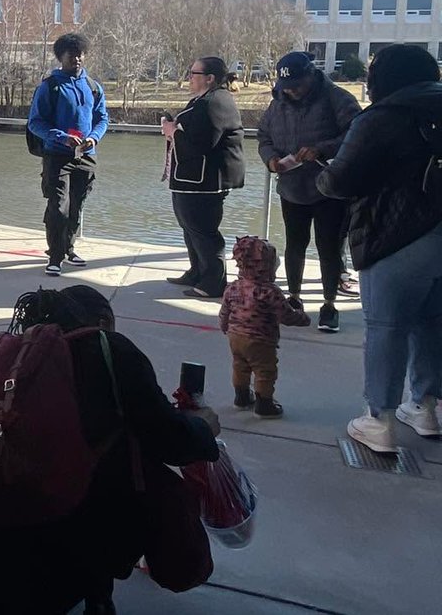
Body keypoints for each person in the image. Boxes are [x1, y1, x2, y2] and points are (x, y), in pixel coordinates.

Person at [0, 285, 220, 615]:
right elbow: (170, 440)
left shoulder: (15, 359)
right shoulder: (108, 349)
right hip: (85, 522)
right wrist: (204, 427)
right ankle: (97, 596)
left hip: (3, 520)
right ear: (100, 321)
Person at [317, 43, 442, 452]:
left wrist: (322, 175)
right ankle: (425, 407)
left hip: (397, 237)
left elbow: (340, 181)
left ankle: (379, 420)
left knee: (387, 328)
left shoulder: (381, 118)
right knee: (432, 323)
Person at [257, 51, 361, 332]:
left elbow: (357, 133)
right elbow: (263, 135)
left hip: (329, 187)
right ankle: (293, 298)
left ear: (312, 77)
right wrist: (271, 159)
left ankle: (329, 304)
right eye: (286, 87)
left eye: (297, 86)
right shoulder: (277, 103)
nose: (291, 92)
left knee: (328, 247)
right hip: (292, 186)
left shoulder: (338, 99)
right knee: (295, 243)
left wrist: (322, 149)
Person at [161, 57, 245, 299]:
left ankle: (213, 282)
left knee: (203, 230)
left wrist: (173, 131)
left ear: (210, 78)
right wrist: (175, 129)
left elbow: (203, 143)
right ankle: (197, 271)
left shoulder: (216, 101)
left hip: (205, 180)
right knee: (189, 227)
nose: (189, 77)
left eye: (194, 73)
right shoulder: (205, 100)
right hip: (191, 178)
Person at [27, 33, 110, 276]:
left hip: (87, 155)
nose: (78, 58)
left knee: (77, 205)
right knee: (59, 206)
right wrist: (61, 136)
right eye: (72, 54)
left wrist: (94, 137)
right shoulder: (50, 86)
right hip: (57, 155)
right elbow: (35, 123)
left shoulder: (93, 87)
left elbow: (102, 118)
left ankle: (69, 248)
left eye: (81, 54)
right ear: (60, 56)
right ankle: (55, 255)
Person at [219, 235, 307, 419]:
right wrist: (302, 317)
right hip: (261, 339)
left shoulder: (233, 287)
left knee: (240, 366)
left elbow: (224, 310)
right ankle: (264, 404)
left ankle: (241, 397)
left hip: (235, 336)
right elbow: (286, 316)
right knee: (264, 371)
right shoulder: (269, 291)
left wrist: (224, 325)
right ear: (266, 267)